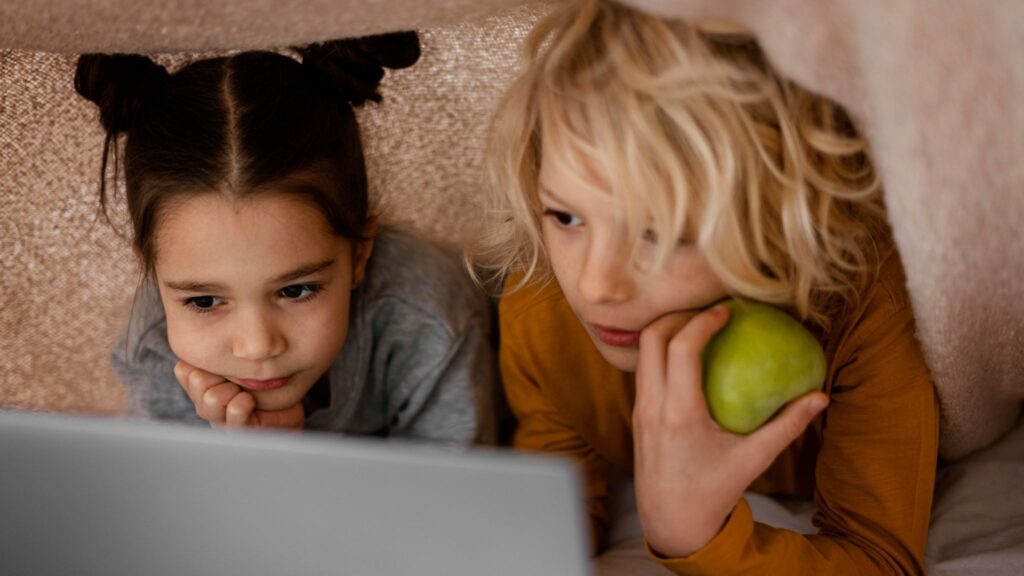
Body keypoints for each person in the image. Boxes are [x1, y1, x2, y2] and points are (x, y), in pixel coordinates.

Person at [470, 0, 937, 573]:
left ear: (778, 219)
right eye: (566, 217)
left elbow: (880, 556)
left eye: (659, 234)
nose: (594, 285)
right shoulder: (538, 302)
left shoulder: (862, 309)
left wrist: (690, 531)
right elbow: (559, 485)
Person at [75, 33, 495, 444]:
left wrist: (289, 459)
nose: (257, 346)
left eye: (296, 290)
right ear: (152, 272)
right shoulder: (153, 347)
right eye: (203, 301)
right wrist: (245, 458)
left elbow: (450, 504)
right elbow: (171, 506)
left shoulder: (426, 318)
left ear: (360, 254)